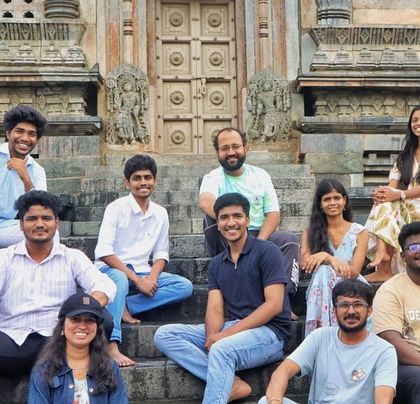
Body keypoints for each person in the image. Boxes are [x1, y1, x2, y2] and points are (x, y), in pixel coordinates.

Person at [154, 193, 291, 404]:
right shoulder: (217, 263)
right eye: (224, 217)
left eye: (237, 216)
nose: (231, 223)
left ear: (247, 220)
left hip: (271, 334)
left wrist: (224, 336)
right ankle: (232, 383)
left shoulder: (267, 252)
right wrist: (212, 336)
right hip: (235, 328)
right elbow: (215, 309)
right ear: (217, 224)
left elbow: (273, 305)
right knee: (165, 334)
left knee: (222, 349)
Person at [0, 191, 116, 377]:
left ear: (57, 223)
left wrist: (84, 308)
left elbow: (104, 285)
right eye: (31, 219)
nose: (39, 224)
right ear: (21, 225)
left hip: (62, 338)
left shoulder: (72, 257)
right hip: (13, 341)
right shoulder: (4, 258)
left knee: (104, 318)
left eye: (46, 218)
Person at [94, 154, 193, 367]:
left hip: (141, 271)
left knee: (184, 286)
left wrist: (151, 278)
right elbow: (103, 251)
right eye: (137, 178)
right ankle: (111, 345)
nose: (143, 182)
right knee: (120, 278)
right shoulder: (116, 208)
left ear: (154, 181)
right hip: (111, 270)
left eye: (147, 177)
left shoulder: (160, 213)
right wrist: (138, 282)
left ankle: (123, 305)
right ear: (127, 182)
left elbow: (161, 253)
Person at [199, 127, 299, 311]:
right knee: (210, 221)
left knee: (290, 241)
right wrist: (233, 221)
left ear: (246, 148)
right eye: (225, 148)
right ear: (217, 152)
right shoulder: (213, 177)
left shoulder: (261, 175)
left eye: (236, 146)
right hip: (228, 235)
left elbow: (273, 214)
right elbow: (206, 202)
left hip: (259, 234)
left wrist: (257, 245)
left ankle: (282, 299)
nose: (231, 152)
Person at [259, 279, 397, 404]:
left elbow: (384, 399)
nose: (351, 311)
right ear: (334, 310)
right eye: (344, 305)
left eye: (358, 305)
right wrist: (275, 402)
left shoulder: (384, 351)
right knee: (266, 401)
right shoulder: (320, 337)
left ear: (369, 311)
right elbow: (282, 372)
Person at [28, 291, 128, 403]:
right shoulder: (43, 370)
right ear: (62, 325)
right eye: (75, 319)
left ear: (97, 329)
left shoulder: (110, 368)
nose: (82, 326)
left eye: (90, 320)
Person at [302, 178, 368, 336]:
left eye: (337, 198)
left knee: (324, 270)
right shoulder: (309, 232)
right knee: (323, 272)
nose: (332, 203)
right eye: (327, 199)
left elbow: (354, 272)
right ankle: (323, 336)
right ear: (320, 204)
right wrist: (329, 260)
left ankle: (323, 334)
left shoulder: (360, 232)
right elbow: (305, 264)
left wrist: (326, 258)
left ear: (344, 201)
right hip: (320, 286)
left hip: (352, 285)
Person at [365, 105, 420, 282]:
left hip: (414, 205)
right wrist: (383, 194)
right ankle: (383, 258)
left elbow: (398, 193)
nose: (417, 123)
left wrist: (399, 195)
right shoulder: (405, 157)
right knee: (384, 202)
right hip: (405, 206)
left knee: (391, 202)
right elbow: (392, 187)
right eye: (415, 120)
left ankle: (384, 263)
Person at [372, 221, 420, 403]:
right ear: (402, 256)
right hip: (405, 364)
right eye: (414, 247)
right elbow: (392, 341)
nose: (419, 250)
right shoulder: (390, 291)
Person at [0, 104, 47, 248]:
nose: (25, 138)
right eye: (19, 131)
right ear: (8, 134)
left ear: (37, 140)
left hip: (6, 226)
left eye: (31, 134)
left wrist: (25, 178)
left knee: (49, 232)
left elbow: (40, 210)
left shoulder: (37, 170)